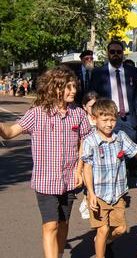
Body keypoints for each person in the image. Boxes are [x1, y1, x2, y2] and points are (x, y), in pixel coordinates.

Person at [0, 67, 93, 258]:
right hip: (45, 180)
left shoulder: (79, 114)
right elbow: (9, 133)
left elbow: (86, 140)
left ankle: (57, 254)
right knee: (50, 224)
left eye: (74, 86)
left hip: (69, 179)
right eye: (67, 87)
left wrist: (80, 169)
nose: (73, 90)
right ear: (54, 88)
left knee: (63, 224)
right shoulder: (37, 113)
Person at [81, 99, 137, 258]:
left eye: (112, 119)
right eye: (105, 120)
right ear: (94, 119)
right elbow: (87, 168)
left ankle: (100, 242)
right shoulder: (90, 141)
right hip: (99, 194)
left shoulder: (120, 137)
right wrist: (91, 194)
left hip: (118, 194)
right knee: (103, 229)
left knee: (121, 229)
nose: (109, 124)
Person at [89, 40, 137, 143]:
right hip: (108, 120)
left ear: (123, 53)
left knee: (131, 155)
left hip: (129, 120)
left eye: (119, 52)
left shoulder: (131, 71)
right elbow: (92, 97)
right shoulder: (98, 73)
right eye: (112, 52)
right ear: (108, 53)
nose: (116, 54)